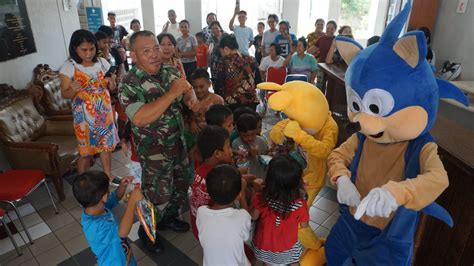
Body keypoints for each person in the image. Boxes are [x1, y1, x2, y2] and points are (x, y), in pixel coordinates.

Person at [118, 30, 199, 252]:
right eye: (147, 51)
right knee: (156, 195)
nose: (154, 54)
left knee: (180, 187)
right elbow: (141, 117)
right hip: (154, 154)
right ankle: (147, 232)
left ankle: (167, 219)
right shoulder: (128, 83)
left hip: (179, 146)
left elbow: (186, 89)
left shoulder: (169, 71)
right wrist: (172, 94)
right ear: (133, 55)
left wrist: (190, 98)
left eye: (155, 48)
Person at [59, 29, 119, 182]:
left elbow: (110, 87)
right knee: (85, 152)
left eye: (91, 49)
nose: (88, 53)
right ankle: (82, 181)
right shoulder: (69, 67)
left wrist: (112, 84)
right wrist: (72, 89)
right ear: (75, 48)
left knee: (105, 146)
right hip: (83, 116)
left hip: (103, 111)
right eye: (84, 50)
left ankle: (107, 174)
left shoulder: (102, 63)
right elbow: (64, 94)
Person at [72, 171, 143, 266]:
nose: (110, 193)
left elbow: (115, 197)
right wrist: (132, 202)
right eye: (108, 191)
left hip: (122, 254)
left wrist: (122, 186)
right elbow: (122, 233)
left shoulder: (96, 207)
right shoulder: (97, 226)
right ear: (104, 197)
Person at [250, 155, 309, 265]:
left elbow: (253, 216)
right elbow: (304, 225)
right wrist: (302, 195)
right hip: (288, 247)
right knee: (294, 261)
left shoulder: (261, 198)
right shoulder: (300, 205)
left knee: (268, 263)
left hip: (265, 246)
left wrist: (255, 191)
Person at [197, 165, 251, 266]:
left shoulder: (201, 212)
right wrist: (242, 193)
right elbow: (247, 217)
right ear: (238, 195)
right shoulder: (242, 217)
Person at [190, 126, 234, 240]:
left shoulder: (199, 170)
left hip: (197, 226)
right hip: (213, 231)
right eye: (228, 147)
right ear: (217, 154)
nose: (231, 151)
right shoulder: (219, 178)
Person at [214, 34, 260, 111]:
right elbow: (258, 82)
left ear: (226, 49)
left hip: (232, 103)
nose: (222, 55)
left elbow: (219, 84)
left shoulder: (224, 61)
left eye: (221, 52)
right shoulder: (251, 59)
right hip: (251, 101)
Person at [313, 20, 337, 89]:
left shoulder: (336, 40)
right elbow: (312, 49)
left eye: (332, 29)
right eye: (328, 28)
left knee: (330, 88)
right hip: (321, 66)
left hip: (332, 69)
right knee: (319, 87)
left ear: (335, 30)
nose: (329, 30)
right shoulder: (321, 38)